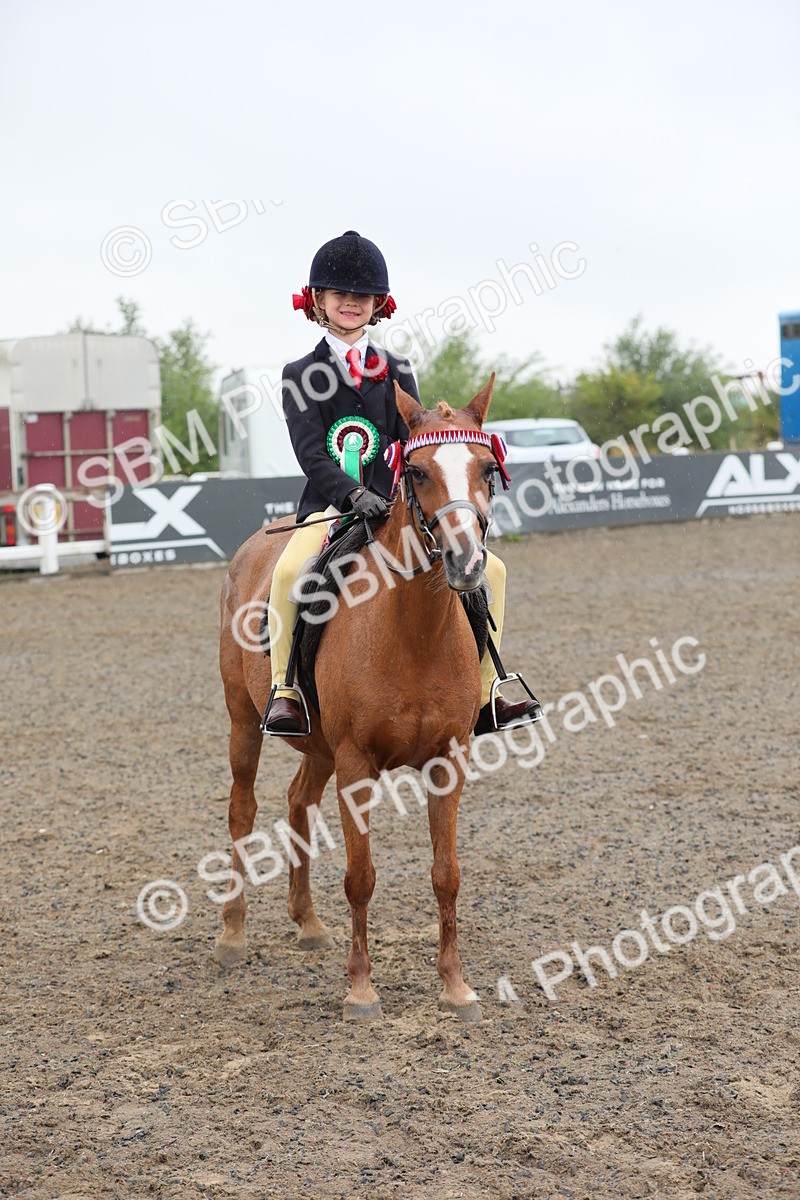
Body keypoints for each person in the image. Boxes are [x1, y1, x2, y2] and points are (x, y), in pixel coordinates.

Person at [263, 230, 540, 736]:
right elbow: (308, 452)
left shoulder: (396, 369)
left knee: (492, 571)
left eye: (362, 296)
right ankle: (287, 691)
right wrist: (351, 493)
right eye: (340, 295)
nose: (351, 303)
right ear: (318, 302)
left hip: (394, 510)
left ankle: (484, 694)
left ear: (378, 305)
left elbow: (411, 438)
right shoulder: (298, 373)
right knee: (287, 574)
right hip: (331, 507)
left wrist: (406, 484)